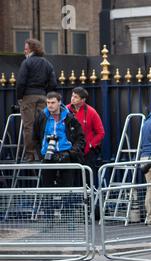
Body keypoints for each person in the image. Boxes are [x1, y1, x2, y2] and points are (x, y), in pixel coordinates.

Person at [33, 91, 85, 230]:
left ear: (59, 102)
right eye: (48, 103)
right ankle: (49, 220)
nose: (50, 105)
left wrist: (70, 153)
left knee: (68, 189)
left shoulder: (69, 117)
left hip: (65, 156)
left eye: (53, 103)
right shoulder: (42, 117)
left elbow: (80, 138)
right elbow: (35, 138)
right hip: (48, 157)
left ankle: (69, 220)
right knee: (47, 190)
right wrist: (42, 155)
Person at [16, 38, 57, 162]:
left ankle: (30, 155)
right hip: (43, 97)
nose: (24, 51)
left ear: (32, 49)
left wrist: (19, 97)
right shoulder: (47, 64)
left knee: (29, 126)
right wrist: (46, 95)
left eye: (26, 49)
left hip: (28, 97)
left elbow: (21, 82)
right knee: (42, 126)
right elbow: (53, 84)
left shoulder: (26, 63)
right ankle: (42, 153)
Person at [66, 87, 105, 187]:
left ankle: (88, 200)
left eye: (76, 97)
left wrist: (91, 144)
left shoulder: (91, 112)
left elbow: (100, 133)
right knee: (70, 179)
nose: (72, 99)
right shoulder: (65, 110)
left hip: (86, 152)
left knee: (87, 179)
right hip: (68, 150)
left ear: (83, 100)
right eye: (72, 96)